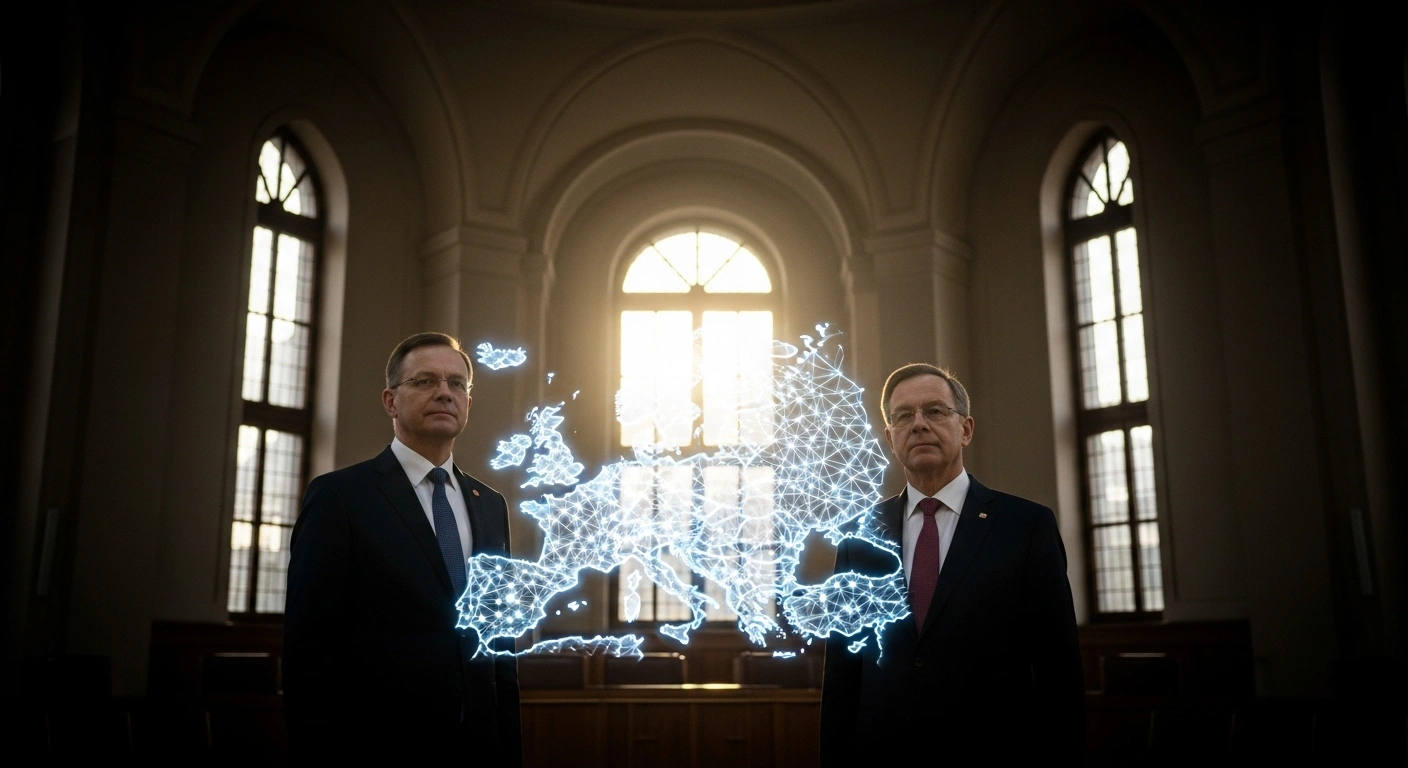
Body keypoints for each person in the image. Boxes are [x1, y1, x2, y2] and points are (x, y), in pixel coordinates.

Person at [820, 363, 1083, 765]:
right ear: (890, 438)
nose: (919, 424)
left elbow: (1057, 667)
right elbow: (842, 673)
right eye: (904, 416)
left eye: (935, 411)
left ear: (966, 429)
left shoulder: (1025, 526)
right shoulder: (859, 535)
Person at [284, 332, 521, 762]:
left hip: (478, 747)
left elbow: (497, 640)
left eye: (456, 384)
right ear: (391, 401)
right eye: (426, 381)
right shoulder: (341, 497)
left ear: (469, 402)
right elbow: (309, 649)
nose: (444, 393)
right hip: (378, 746)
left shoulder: (491, 506)